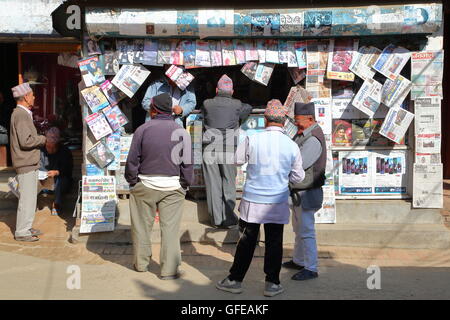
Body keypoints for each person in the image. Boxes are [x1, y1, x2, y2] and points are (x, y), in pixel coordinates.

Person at [216, 99, 304, 297]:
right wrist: (283, 176)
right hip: (277, 202)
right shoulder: (291, 145)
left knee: (247, 241)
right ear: (283, 121)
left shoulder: (253, 139)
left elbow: (237, 161)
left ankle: (234, 280)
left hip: (253, 201)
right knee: (274, 242)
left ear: (265, 119)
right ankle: (272, 283)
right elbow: (299, 176)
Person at [125, 92, 194, 279]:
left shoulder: (142, 130)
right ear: (171, 110)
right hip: (172, 188)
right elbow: (187, 164)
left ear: (153, 109)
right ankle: (169, 270)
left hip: (145, 185)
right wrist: (185, 185)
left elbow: (132, 160)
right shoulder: (181, 132)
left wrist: (133, 182)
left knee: (141, 227)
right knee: (170, 230)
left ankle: (141, 265)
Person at [282, 102, 327, 281]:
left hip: (307, 192)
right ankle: (299, 260)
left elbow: (299, 165)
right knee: (298, 228)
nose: (296, 123)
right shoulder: (305, 133)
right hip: (299, 191)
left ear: (309, 119)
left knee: (306, 230)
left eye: (298, 120)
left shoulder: (313, 138)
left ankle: (311, 267)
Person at [202, 75, 252, 228]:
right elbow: (248, 108)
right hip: (229, 151)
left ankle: (216, 220)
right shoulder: (237, 104)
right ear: (232, 91)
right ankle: (229, 220)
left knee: (213, 185)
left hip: (209, 150)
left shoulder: (207, 103)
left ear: (216, 90)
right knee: (228, 184)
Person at [9, 83, 47, 242]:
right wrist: (43, 139)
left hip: (28, 162)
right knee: (27, 199)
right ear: (25, 97)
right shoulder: (21, 114)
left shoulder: (22, 113)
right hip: (25, 162)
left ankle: (27, 227)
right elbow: (26, 141)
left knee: (30, 198)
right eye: (32, 94)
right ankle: (22, 231)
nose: (34, 97)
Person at [39, 127, 74, 216]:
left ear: (59, 139)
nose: (52, 140)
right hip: (44, 183)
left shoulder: (65, 151)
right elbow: (38, 167)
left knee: (60, 180)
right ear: (46, 137)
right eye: (50, 137)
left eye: (55, 137)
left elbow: (68, 169)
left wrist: (56, 172)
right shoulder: (40, 151)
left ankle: (57, 204)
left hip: (59, 182)